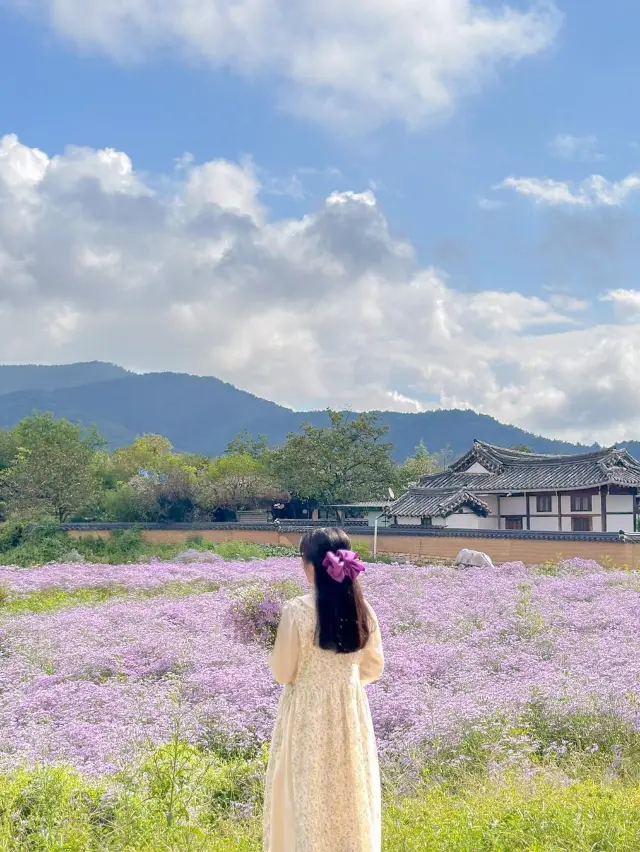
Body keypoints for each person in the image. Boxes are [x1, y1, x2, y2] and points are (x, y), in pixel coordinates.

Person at [263, 527, 384, 852]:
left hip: (307, 717)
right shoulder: (362, 608)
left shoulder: (297, 611)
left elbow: (283, 671)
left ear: (313, 566)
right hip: (350, 714)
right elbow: (373, 666)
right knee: (350, 793)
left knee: (304, 793)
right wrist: (343, 684)